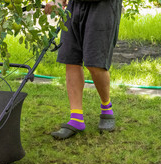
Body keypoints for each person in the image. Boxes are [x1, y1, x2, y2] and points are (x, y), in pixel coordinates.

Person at [44, 0, 122, 139]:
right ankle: (76, 118)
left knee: (95, 62)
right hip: (75, 5)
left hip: (102, 7)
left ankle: (106, 107)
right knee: (71, 59)